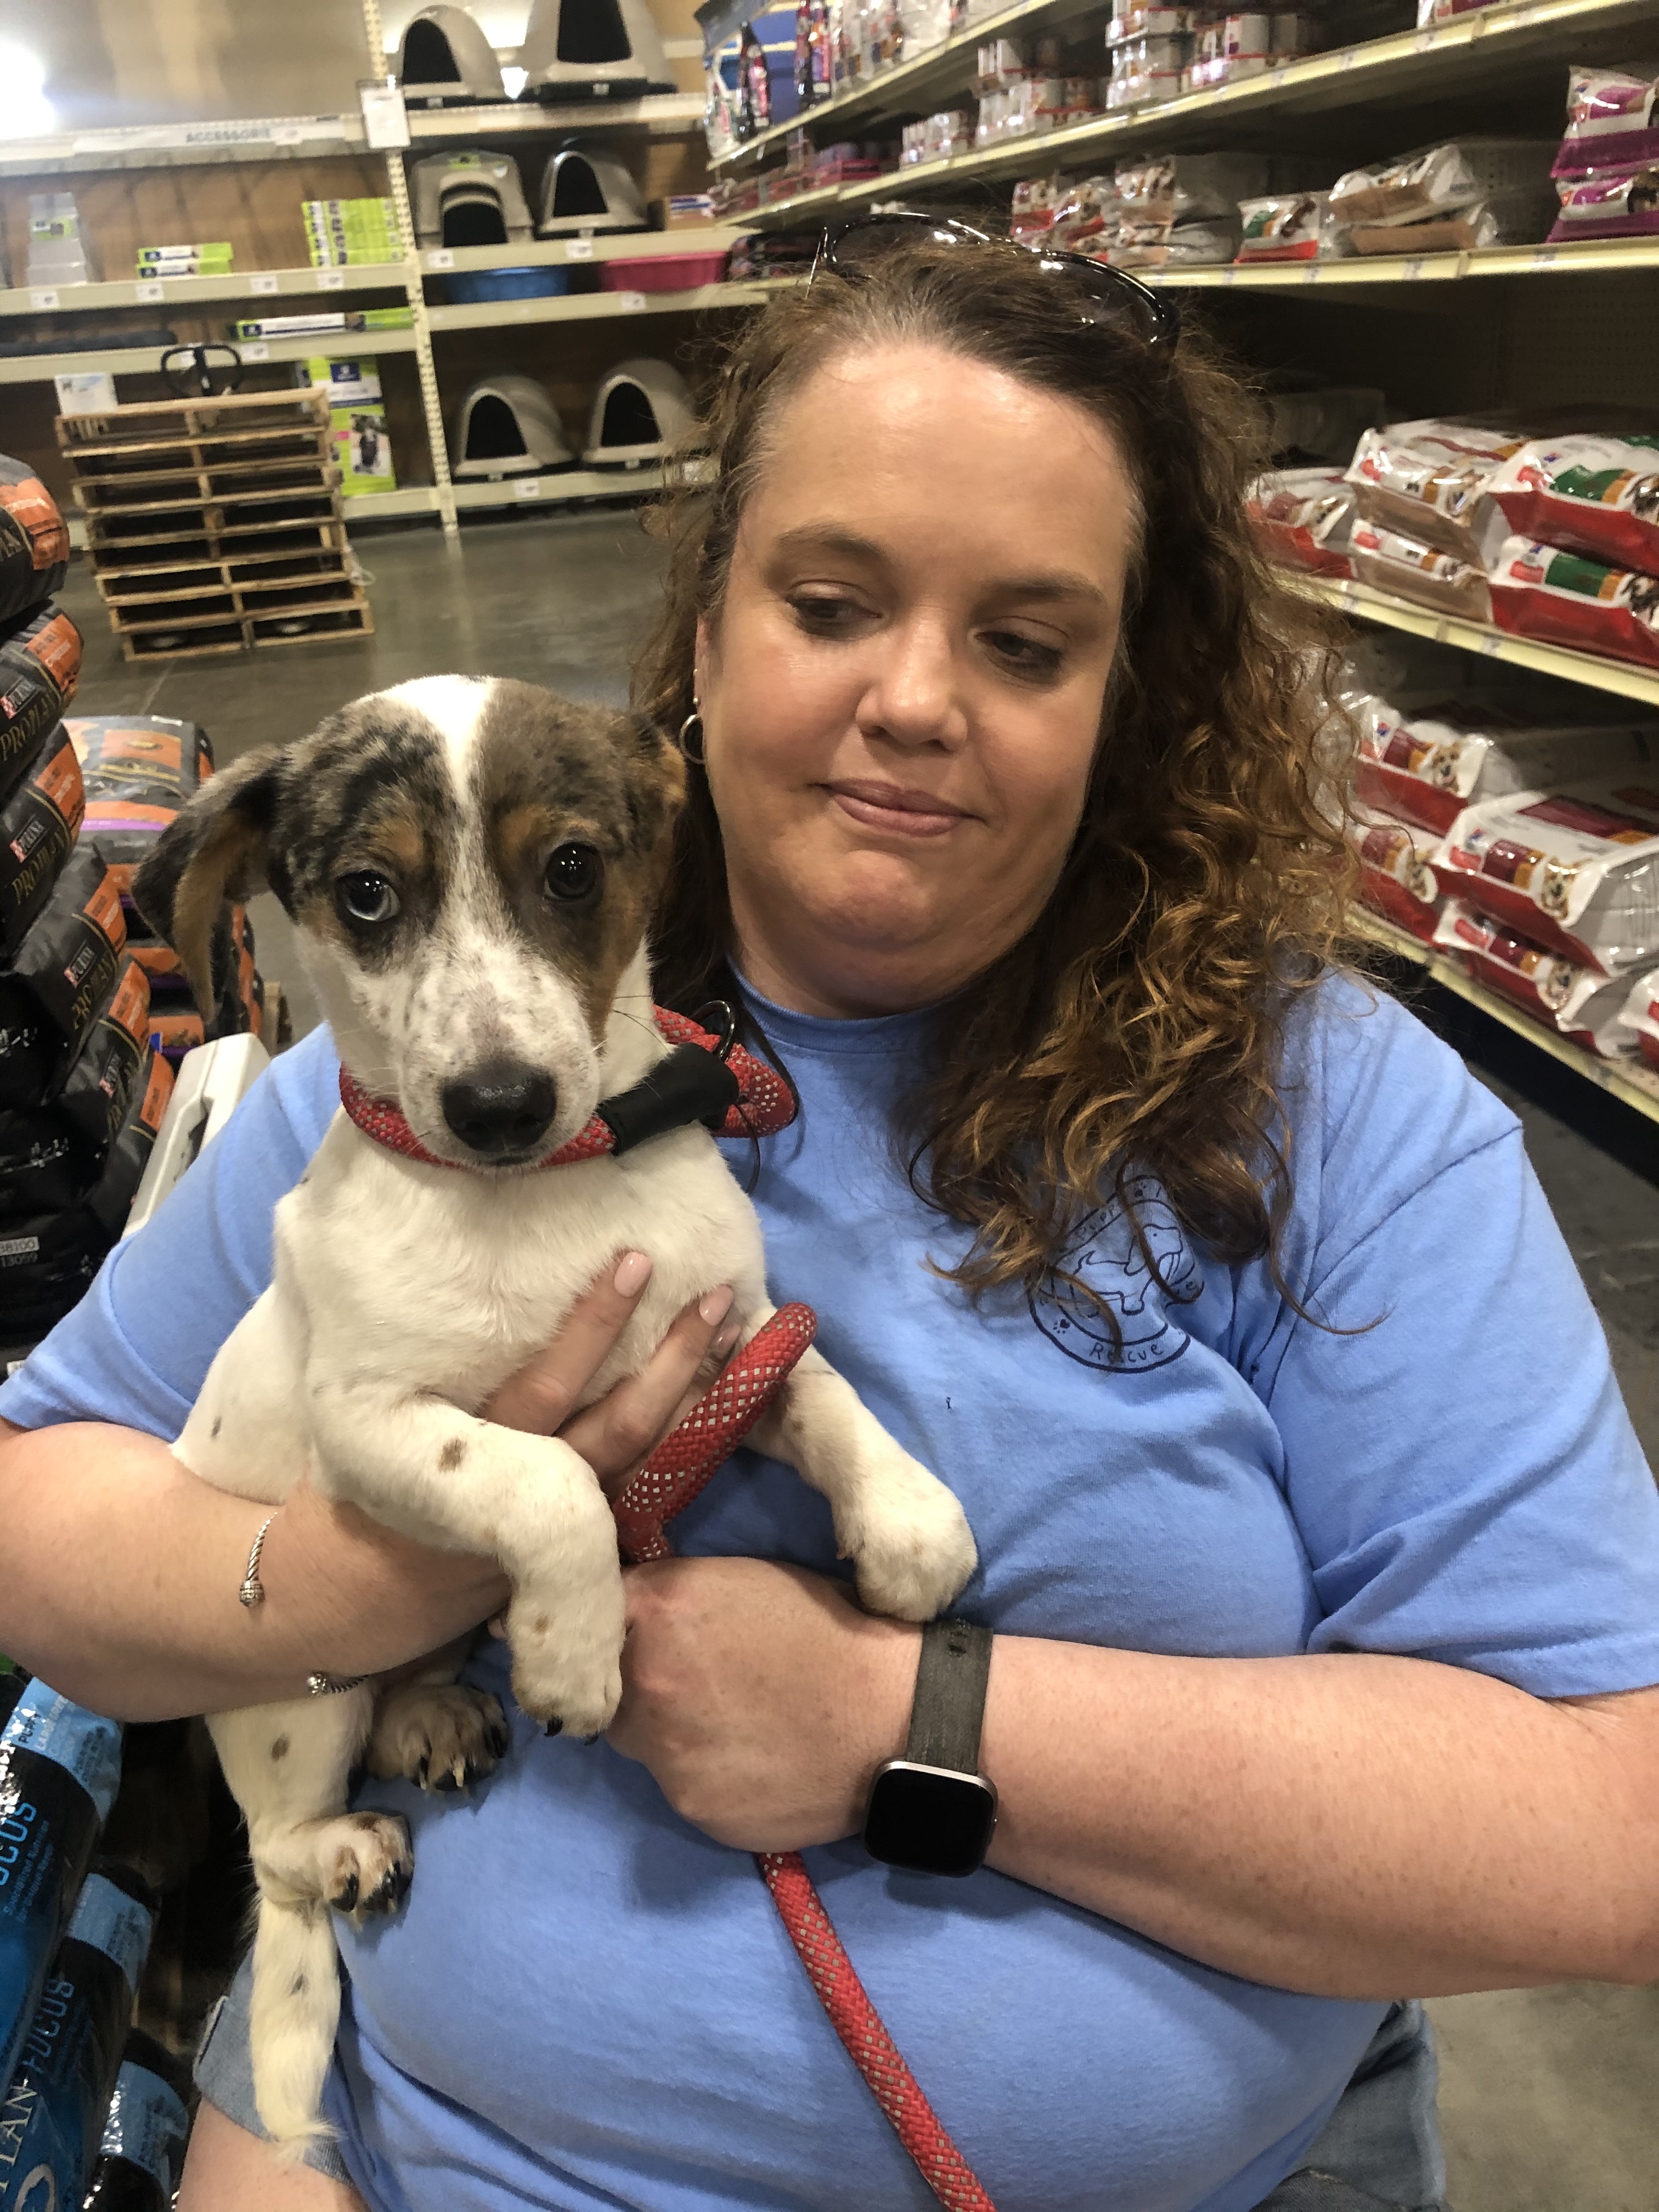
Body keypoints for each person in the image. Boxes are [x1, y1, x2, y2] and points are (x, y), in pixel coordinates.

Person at [3, 219, 1657, 2212]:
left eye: (1028, 642)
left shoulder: (1335, 1111)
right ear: (706, 638)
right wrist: (399, 1586)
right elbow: (40, 1536)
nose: (916, 701)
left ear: (1127, 696)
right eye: (830, 601)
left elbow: (1612, 1821)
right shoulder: (419, 1094)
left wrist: (905, 1718)